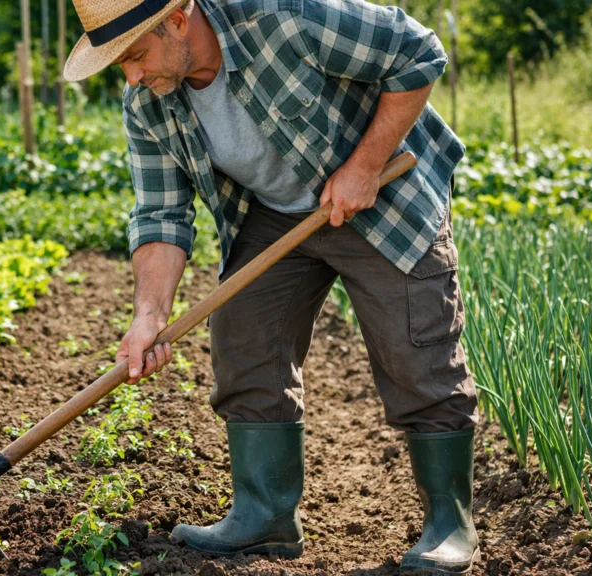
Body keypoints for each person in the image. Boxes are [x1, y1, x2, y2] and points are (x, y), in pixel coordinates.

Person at [63, 0, 479, 573]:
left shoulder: (282, 16)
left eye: (136, 55)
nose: (132, 77)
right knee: (244, 338)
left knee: (418, 350)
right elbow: (160, 214)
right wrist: (148, 314)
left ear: (179, 22)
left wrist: (363, 164)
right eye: (120, 65)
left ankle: (448, 522)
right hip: (275, 214)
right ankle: (265, 516)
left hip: (379, 193)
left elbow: (418, 51)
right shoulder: (149, 104)